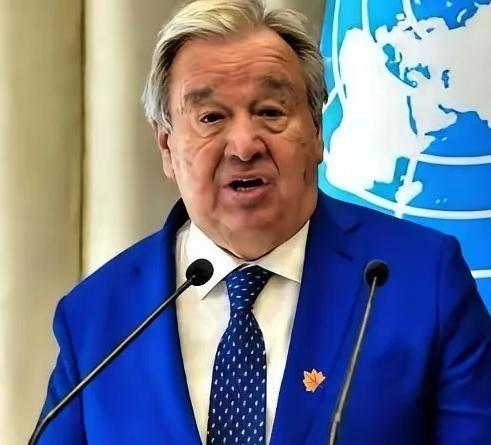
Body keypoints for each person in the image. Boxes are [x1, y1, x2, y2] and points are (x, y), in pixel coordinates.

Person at [36, 1, 491, 444]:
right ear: (167, 147)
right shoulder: (97, 318)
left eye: (270, 112)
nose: (244, 146)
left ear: (317, 131)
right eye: (211, 118)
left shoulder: (420, 281)